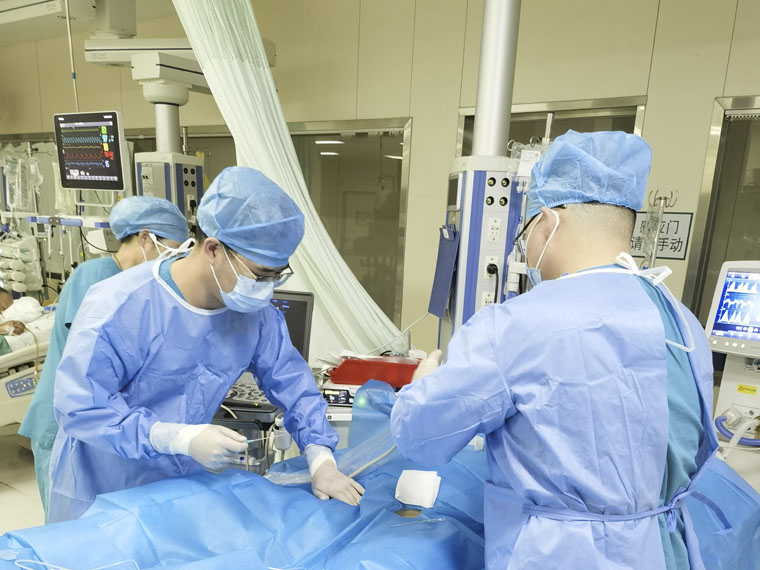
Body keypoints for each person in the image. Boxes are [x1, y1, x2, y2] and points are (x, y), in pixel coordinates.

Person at [390, 131, 722, 569]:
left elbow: (420, 437)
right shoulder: (682, 322)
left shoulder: (515, 325)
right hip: (663, 552)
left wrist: (422, 385)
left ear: (547, 222)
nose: (526, 247)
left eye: (525, 231)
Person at [48, 167, 364, 523]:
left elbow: (295, 386)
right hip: (103, 486)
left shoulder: (255, 317)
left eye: (277, 276)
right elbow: (81, 407)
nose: (267, 289)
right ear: (213, 248)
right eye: (260, 275)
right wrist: (177, 438)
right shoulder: (122, 305)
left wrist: (321, 460)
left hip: (180, 483)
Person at [18, 196, 189, 518]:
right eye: (173, 249)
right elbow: (93, 356)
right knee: (70, 524)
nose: (176, 259)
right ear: (145, 238)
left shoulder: (134, 282)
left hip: (96, 421)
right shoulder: (96, 274)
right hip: (64, 421)